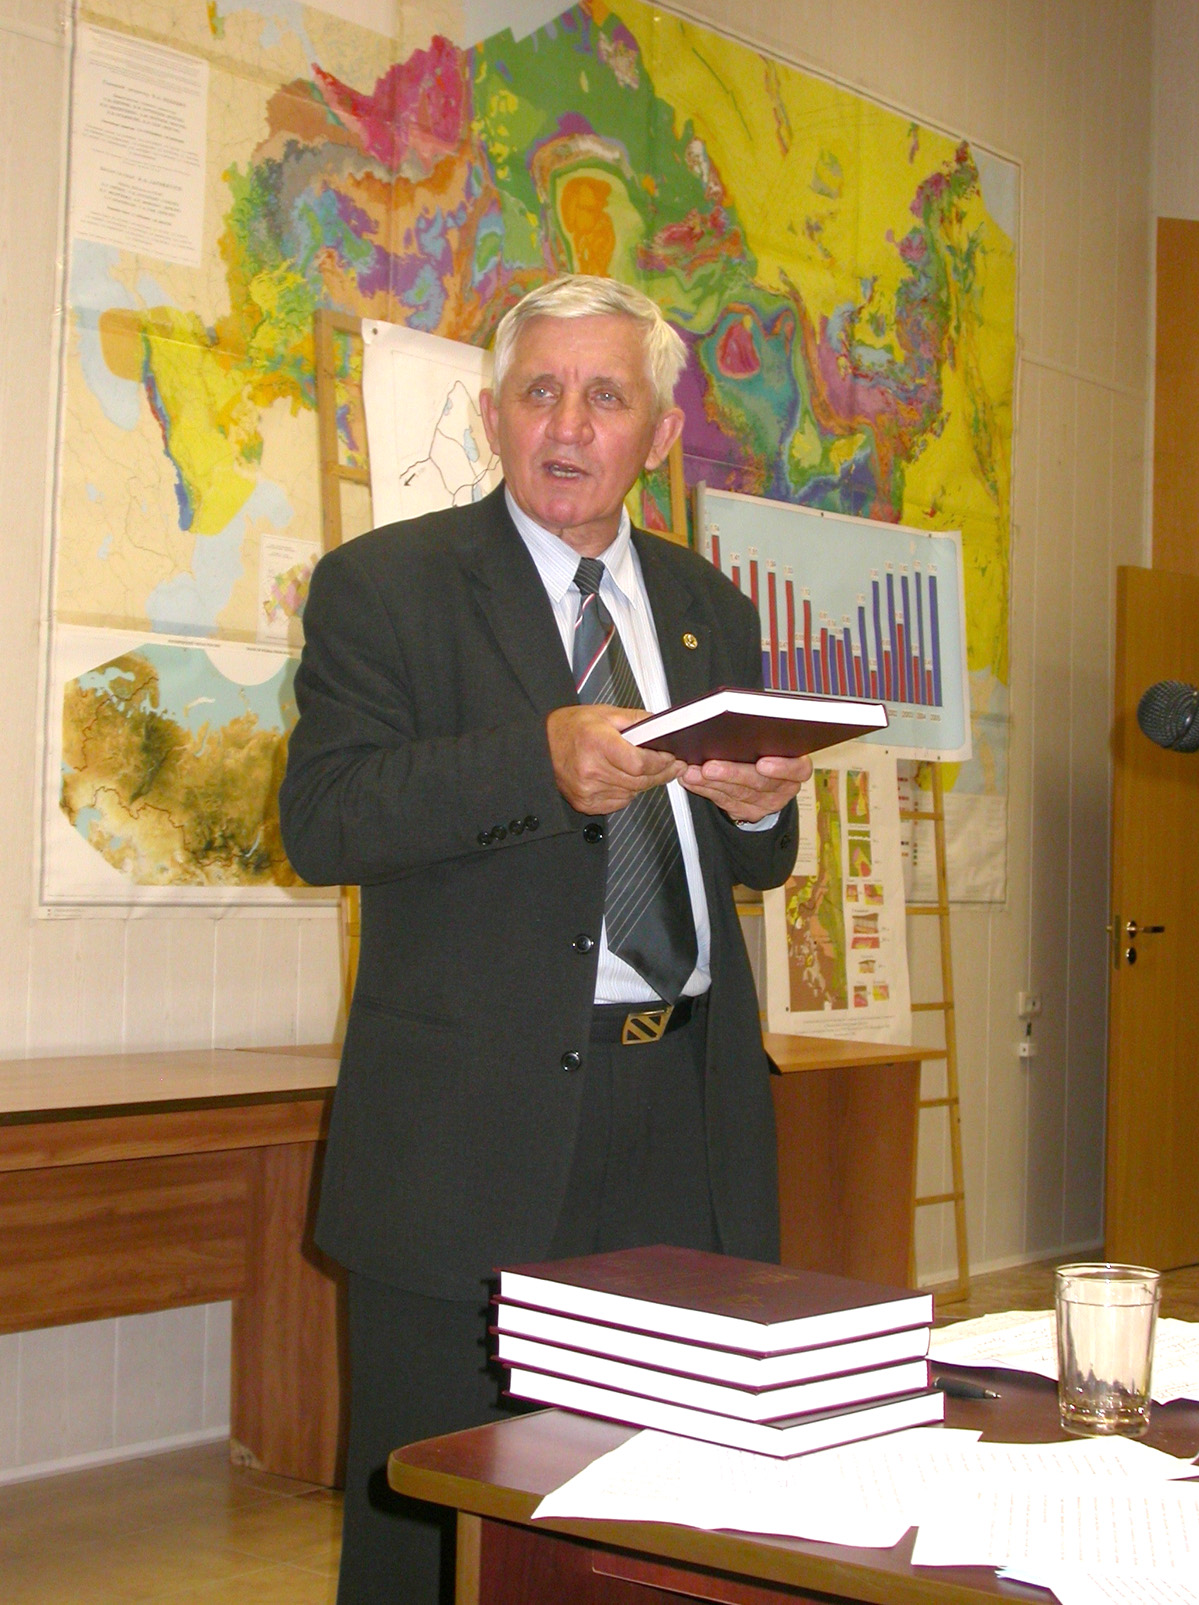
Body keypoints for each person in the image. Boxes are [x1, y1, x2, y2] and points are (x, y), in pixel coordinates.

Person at [278, 275, 811, 1605]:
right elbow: (325, 820)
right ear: (491, 416)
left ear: (661, 435)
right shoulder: (387, 587)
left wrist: (761, 809)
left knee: (656, 1518)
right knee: (431, 1523)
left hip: (683, 1111)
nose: (567, 425)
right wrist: (535, 761)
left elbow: (749, 862)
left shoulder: (707, 605)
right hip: (470, 1132)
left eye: (605, 396)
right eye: (540, 392)